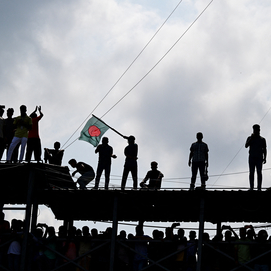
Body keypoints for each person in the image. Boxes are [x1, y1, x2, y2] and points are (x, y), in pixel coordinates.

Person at [245, 124, 267, 191]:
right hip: (252, 157)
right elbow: (246, 145)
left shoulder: (262, 139)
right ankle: (251, 187)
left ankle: (259, 188)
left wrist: (265, 157)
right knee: (251, 172)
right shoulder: (250, 138)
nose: (256, 131)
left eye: (257, 129)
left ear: (259, 130)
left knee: (259, 172)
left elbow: (264, 149)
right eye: (255, 130)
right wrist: (251, 138)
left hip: (259, 158)